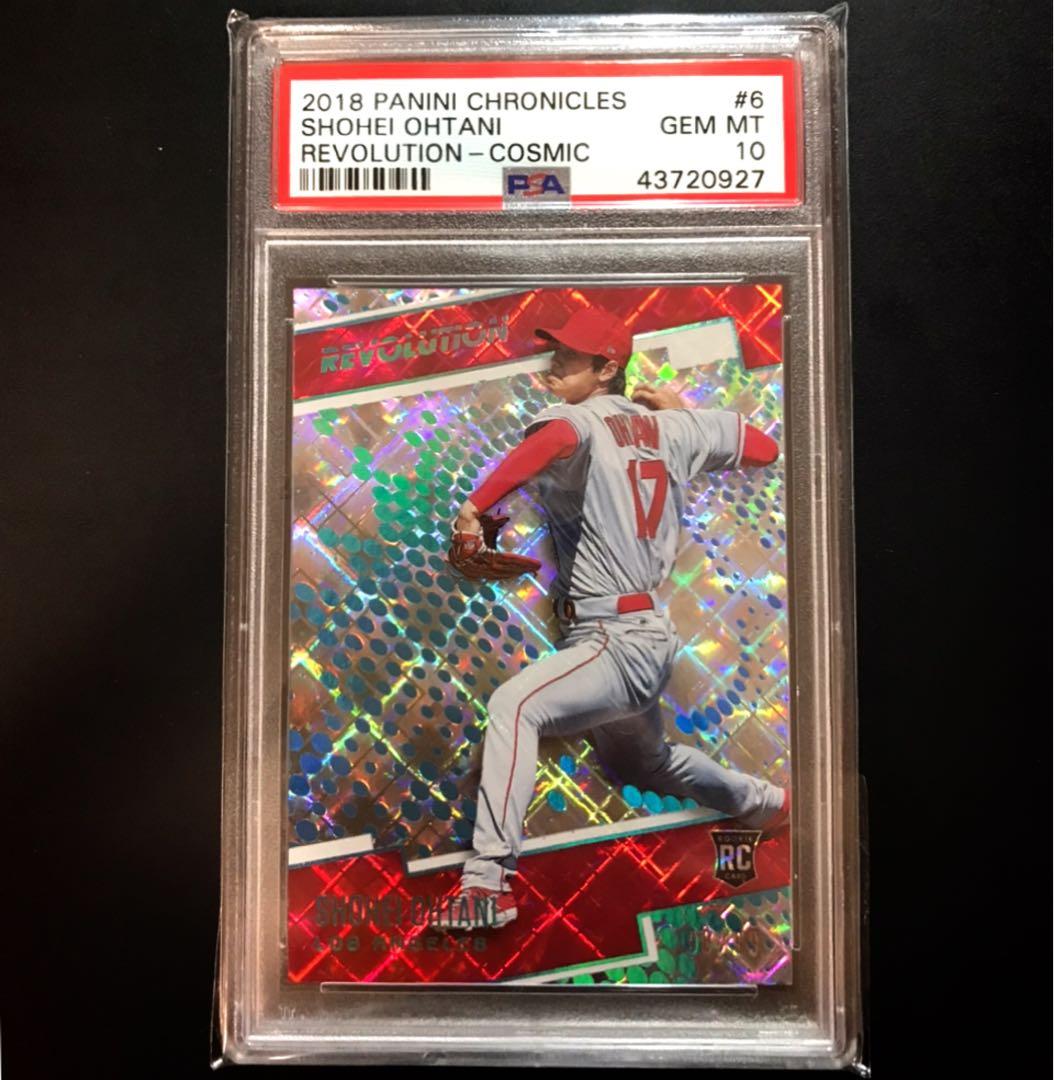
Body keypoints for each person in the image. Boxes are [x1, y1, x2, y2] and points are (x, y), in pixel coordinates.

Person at [433, 307, 789, 930]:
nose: (555, 363)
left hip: (614, 638)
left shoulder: (579, 419)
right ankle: (765, 803)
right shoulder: (675, 427)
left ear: (606, 370)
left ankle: (487, 884)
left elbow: (551, 444)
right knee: (641, 765)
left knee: (516, 707)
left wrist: (474, 505)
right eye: (556, 351)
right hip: (636, 634)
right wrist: (682, 413)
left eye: (570, 355)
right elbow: (766, 447)